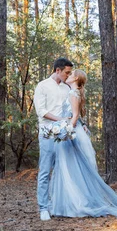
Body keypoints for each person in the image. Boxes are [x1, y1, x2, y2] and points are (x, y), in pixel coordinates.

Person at [49, 69, 117, 219]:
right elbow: (75, 115)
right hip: (73, 130)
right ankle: (70, 203)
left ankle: (77, 204)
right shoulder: (74, 93)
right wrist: (79, 125)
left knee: (73, 169)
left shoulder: (73, 93)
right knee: (73, 169)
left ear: (75, 78)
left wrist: (67, 131)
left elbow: (74, 116)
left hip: (71, 133)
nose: (67, 76)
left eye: (71, 74)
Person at [34, 58, 73, 221]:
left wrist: (74, 123)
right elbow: (41, 111)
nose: (69, 75)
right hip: (47, 132)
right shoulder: (42, 86)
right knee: (45, 170)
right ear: (58, 70)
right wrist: (59, 120)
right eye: (67, 72)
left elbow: (71, 109)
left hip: (64, 133)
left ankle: (57, 204)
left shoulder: (67, 88)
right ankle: (43, 207)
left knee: (61, 169)